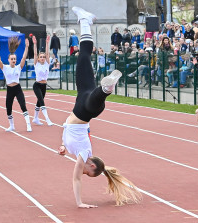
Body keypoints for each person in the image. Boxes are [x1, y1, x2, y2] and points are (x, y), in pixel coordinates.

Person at [58, 7, 142, 208]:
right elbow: (76, 179)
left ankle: (85, 21)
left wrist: (62, 146)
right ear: (92, 165)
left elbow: (71, 135)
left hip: (83, 98)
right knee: (92, 99)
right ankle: (106, 88)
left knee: (83, 57)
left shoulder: (77, 150)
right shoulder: (85, 154)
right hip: (86, 110)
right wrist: (79, 203)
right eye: (88, 171)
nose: (83, 172)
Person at [0, 36, 32, 132]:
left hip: (17, 88)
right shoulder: (5, 67)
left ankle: (28, 124)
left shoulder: (18, 67)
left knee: (23, 105)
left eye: (14, 59)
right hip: (10, 89)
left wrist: (27, 47)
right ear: (8, 60)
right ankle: (12, 126)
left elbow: (24, 57)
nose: (13, 60)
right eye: (12, 59)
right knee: (8, 107)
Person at [31, 35, 53, 126]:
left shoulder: (47, 63)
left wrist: (47, 43)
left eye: (44, 57)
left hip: (44, 86)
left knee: (39, 102)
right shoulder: (36, 64)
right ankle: (47, 119)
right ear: (39, 58)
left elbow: (48, 54)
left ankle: (35, 118)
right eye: (41, 57)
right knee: (42, 101)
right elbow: (35, 54)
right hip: (37, 85)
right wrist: (35, 44)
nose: (43, 58)